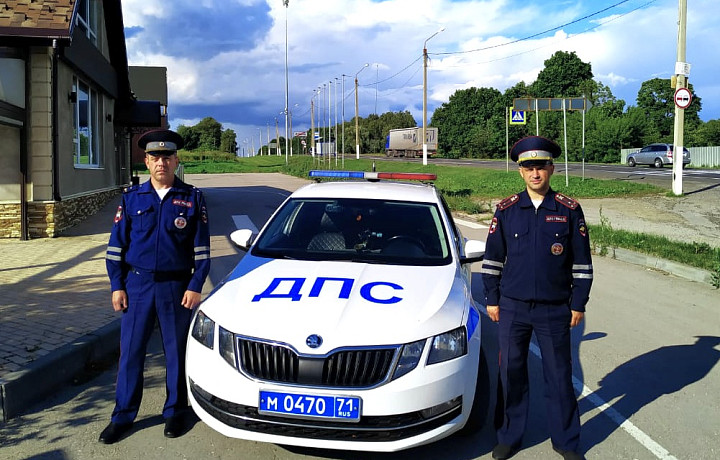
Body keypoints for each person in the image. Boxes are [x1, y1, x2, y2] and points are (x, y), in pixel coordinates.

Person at [480, 136, 593, 460]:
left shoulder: (569, 210)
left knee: (559, 376)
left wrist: (577, 303)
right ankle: (508, 437)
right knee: (511, 374)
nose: (535, 173)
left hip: (554, 309)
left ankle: (566, 442)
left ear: (551, 168)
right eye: (528, 167)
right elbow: (492, 260)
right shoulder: (507, 210)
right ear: (520, 172)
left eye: (541, 166)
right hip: (513, 307)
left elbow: (582, 263)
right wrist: (492, 298)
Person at [100, 129, 211, 444]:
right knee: (131, 352)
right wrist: (116, 286)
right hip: (137, 286)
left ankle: (175, 412)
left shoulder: (192, 199)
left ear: (176, 161)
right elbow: (115, 248)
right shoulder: (132, 199)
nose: (161, 162)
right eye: (155, 157)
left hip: (176, 288)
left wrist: (195, 284)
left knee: (176, 352)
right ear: (146, 162)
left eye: (167, 157)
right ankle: (122, 416)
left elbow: (201, 251)